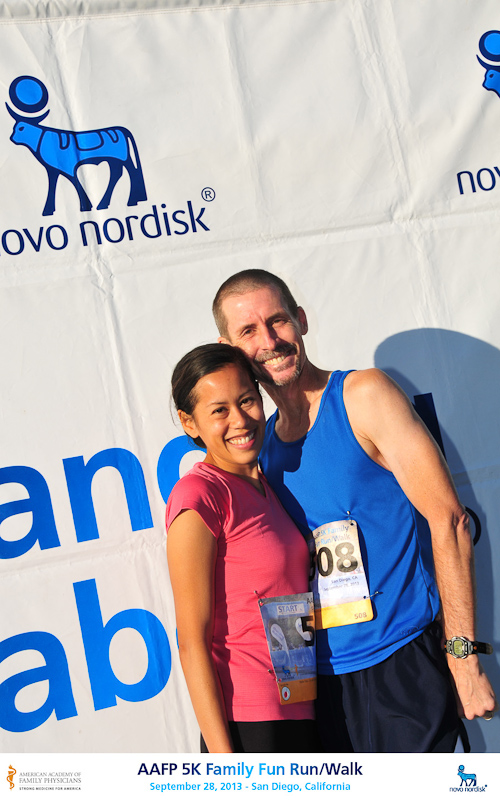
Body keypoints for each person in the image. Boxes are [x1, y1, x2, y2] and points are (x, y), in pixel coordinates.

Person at [212, 268, 497, 753]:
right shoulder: (262, 453)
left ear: (301, 320)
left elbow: (450, 522)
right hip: (320, 689)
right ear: (230, 348)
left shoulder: (363, 396)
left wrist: (463, 657)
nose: (270, 341)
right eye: (249, 331)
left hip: (402, 665)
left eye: (277, 321)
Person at [166, 343, 320, 753]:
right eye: (219, 410)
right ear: (189, 423)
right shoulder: (199, 495)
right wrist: (225, 765)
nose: (240, 419)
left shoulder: (268, 483)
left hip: (301, 709)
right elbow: (192, 643)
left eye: (247, 400)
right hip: (249, 727)